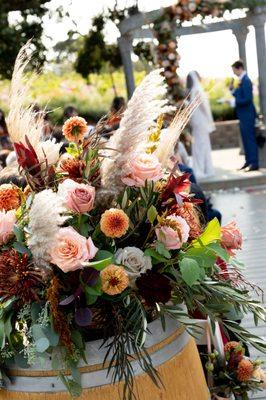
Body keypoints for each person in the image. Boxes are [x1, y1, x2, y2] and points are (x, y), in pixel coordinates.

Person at [230, 60, 259, 172]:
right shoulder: (241, 80)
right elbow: (238, 95)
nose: (234, 73)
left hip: (248, 115)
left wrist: (234, 102)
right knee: (245, 139)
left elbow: (247, 99)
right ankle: (248, 161)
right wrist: (232, 91)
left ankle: (254, 163)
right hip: (243, 115)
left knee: (250, 139)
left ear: (239, 68)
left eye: (234, 70)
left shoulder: (246, 80)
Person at [186, 71, 215, 180]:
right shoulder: (197, 90)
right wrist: (208, 117)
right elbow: (202, 106)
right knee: (202, 144)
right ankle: (203, 169)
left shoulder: (191, 91)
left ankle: (203, 168)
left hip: (197, 121)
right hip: (201, 120)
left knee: (199, 143)